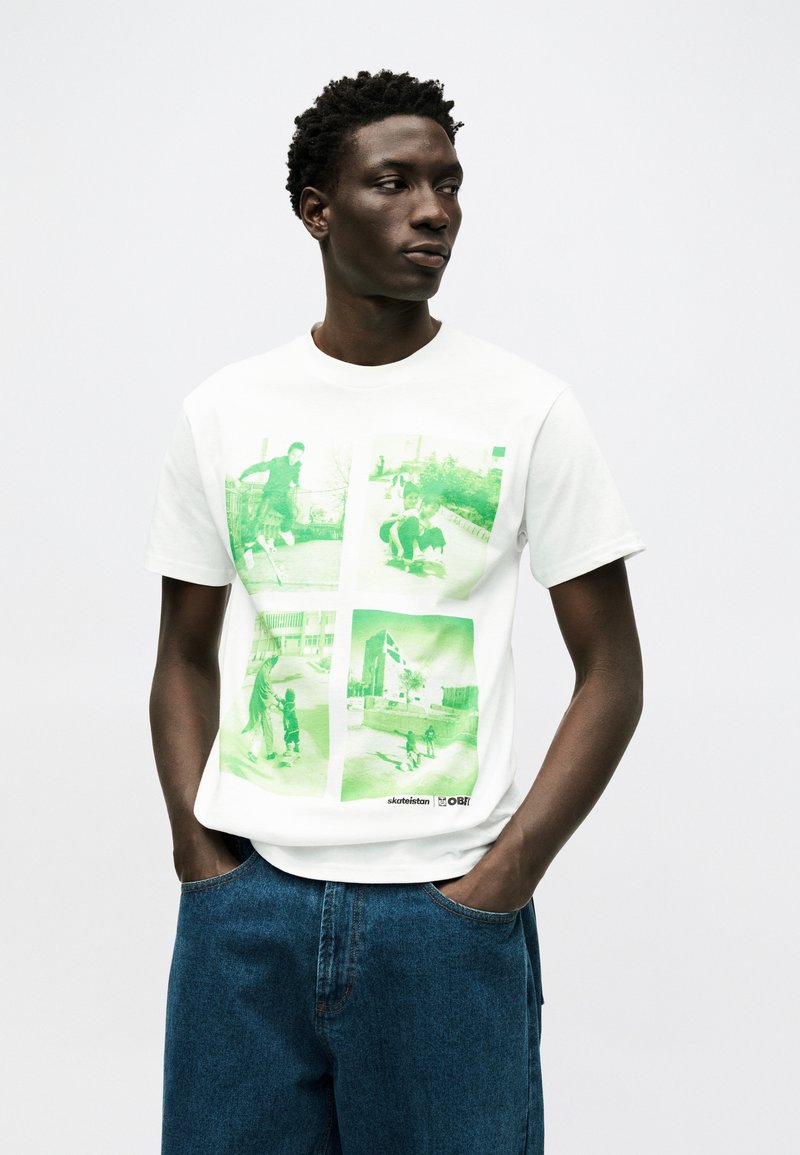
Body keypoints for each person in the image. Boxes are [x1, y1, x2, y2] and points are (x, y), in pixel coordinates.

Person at [145, 68, 645, 1155]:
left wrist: (502, 879)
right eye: (394, 182)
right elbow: (182, 654)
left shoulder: (527, 409)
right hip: (249, 913)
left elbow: (611, 671)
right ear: (317, 211)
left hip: (443, 920)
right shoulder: (225, 412)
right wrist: (202, 859)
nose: (434, 210)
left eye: (448, 183)